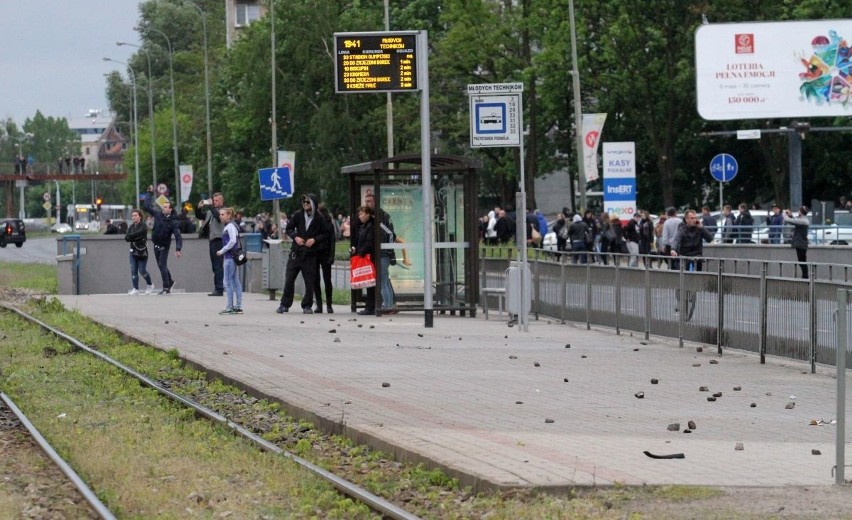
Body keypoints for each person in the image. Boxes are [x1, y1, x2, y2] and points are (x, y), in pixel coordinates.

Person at [277, 193, 327, 314]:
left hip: (310, 254)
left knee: (309, 281)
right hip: (296, 252)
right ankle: (285, 304)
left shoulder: (319, 218)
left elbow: (326, 233)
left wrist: (314, 239)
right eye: (304, 202)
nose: (305, 204)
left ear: (313, 204)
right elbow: (288, 228)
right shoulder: (298, 215)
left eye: (308, 202)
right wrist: (295, 237)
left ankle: (307, 305)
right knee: (289, 278)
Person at [142, 186, 183, 294]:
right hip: (156, 244)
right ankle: (170, 281)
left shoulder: (173, 221)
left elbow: (178, 236)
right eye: (163, 206)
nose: (163, 208)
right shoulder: (158, 214)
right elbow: (146, 206)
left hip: (165, 245)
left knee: (162, 265)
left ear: (170, 209)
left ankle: (166, 288)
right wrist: (149, 194)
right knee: (160, 265)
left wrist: (178, 248)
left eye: (166, 207)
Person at [364, 192, 397, 311]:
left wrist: (389, 250)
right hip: (380, 253)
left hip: (383, 253)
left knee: (383, 281)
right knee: (385, 280)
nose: (366, 203)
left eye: (369, 201)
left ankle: (387, 306)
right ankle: (389, 304)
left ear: (375, 202)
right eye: (365, 201)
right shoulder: (373, 216)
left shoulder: (381, 216)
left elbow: (390, 234)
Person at [196, 192, 225, 296]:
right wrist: (198, 208)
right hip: (212, 239)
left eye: (217, 200)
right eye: (214, 200)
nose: (215, 202)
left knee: (218, 265)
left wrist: (210, 206)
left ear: (222, 201)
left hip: (219, 239)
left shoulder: (223, 211)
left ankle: (219, 288)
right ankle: (217, 287)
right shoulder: (211, 211)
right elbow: (200, 216)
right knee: (214, 265)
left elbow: (218, 217)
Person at [216, 207, 243, 315]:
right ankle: (237, 306)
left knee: (227, 282)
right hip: (233, 257)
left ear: (228, 215)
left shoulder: (230, 226)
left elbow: (232, 241)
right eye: (220, 214)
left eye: (223, 214)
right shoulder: (232, 226)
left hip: (229, 257)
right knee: (235, 281)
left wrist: (222, 251)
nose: (220, 216)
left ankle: (230, 307)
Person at [351, 205, 377, 315]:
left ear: (368, 214)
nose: (360, 216)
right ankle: (369, 306)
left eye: (362, 214)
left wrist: (361, 253)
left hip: (368, 257)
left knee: (370, 283)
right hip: (363, 255)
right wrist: (355, 249)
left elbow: (369, 242)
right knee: (368, 282)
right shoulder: (363, 226)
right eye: (359, 214)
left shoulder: (371, 226)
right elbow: (359, 240)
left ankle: (371, 307)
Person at [124, 209, 154, 295]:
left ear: (140, 217)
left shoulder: (143, 226)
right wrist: (134, 237)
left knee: (142, 270)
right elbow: (126, 238)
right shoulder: (131, 226)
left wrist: (132, 237)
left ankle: (150, 284)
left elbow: (139, 233)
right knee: (133, 270)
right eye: (132, 216)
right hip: (132, 251)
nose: (133, 217)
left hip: (142, 251)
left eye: (135, 215)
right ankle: (135, 288)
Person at [312, 204, 336, 314]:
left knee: (327, 280)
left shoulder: (329, 225)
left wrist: (332, 256)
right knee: (315, 280)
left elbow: (332, 241)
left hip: (325, 253)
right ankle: (319, 304)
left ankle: (329, 304)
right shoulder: (314, 224)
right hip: (315, 253)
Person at [784, 206, 810, 279]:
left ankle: (805, 277)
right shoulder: (802, 220)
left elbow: (792, 221)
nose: (798, 211)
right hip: (800, 244)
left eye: (799, 210)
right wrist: (791, 215)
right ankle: (805, 277)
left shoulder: (804, 221)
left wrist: (785, 215)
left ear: (801, 212)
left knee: (802, 262)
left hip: (802, 244)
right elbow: (795, 220)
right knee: (801, 261)